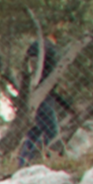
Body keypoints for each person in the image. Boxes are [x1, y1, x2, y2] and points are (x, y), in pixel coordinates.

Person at [18, 34, 74, 166]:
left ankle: (24, 162)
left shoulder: (46, 47)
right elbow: (32, 56)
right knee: (51, 133)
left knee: (35, 132)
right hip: (43, 99)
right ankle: (40, 162)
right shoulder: (46, 46)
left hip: (40, 97)